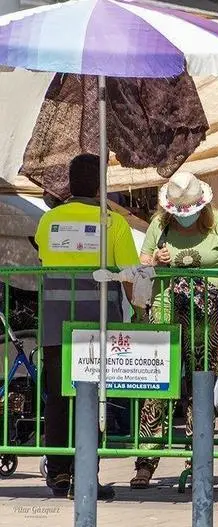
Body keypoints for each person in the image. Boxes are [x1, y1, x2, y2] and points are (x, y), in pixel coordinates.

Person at [131, 172, 218, 489]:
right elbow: (142, 270)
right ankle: (146, 461)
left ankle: (199, 459)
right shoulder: (160, 225)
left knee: (200, 388)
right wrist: (155, 262)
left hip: (208, 315)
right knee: (157, 387)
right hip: (165, 311)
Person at [36, 154, 138, 499]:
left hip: (53, 325)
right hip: (97, 326)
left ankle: (59, 474)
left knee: (57, 399)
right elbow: (131, 276)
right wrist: (142, 310)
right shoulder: (112, 223)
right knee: (91, 399)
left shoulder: (48, 220)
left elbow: (42, 262)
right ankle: (84, 478)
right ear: (100, 184)